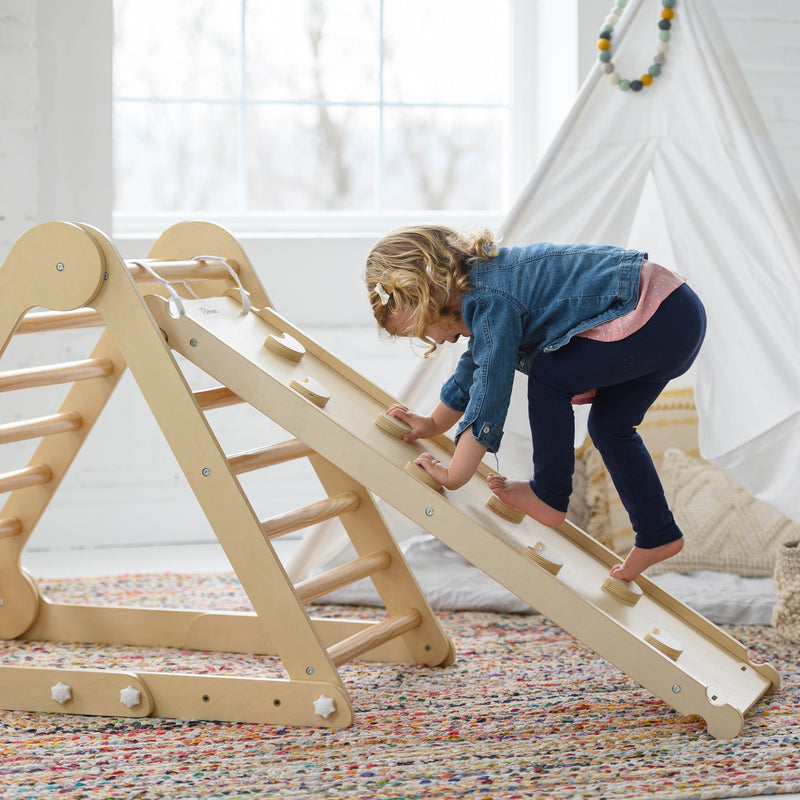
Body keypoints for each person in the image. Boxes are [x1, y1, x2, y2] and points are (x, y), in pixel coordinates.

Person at [365, 224, 707, 582]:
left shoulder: (490, 296)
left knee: (549, 376)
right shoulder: (484, 286)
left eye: (425, 329)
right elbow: (477, 363)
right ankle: (658, 534)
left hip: (653, 311)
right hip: (675, 313)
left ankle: (549, 494)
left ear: (432, 293)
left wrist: (456, 474)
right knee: (610, 427)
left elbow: (490, 386)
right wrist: (433, 424)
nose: (436, 340)